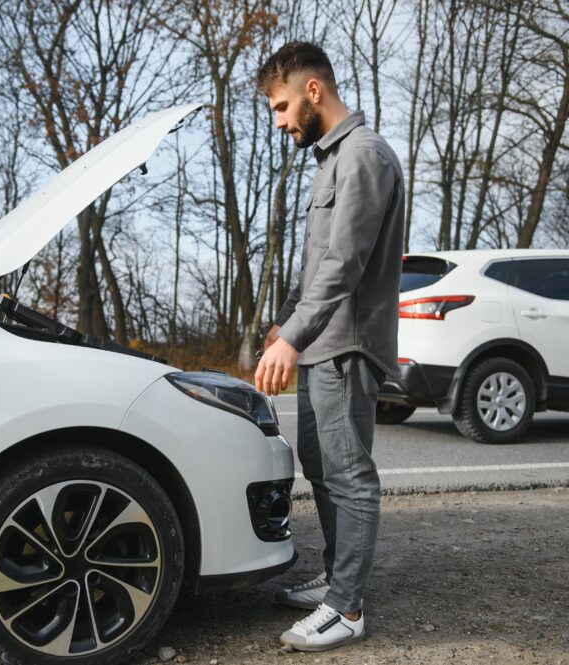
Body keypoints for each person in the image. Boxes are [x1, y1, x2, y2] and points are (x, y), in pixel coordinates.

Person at [254, 42, 405, 652]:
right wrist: (283, 323)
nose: (279, 121)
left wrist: (294, 338)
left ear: (312, 91)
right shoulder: (331, 162)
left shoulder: (364, 155)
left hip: (346, 345)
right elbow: (315, 266)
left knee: (350, 475)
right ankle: (338, 580)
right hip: (320, 342)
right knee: (320, 468)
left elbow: (344, 264)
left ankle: (346, 609)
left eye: (281, 106)